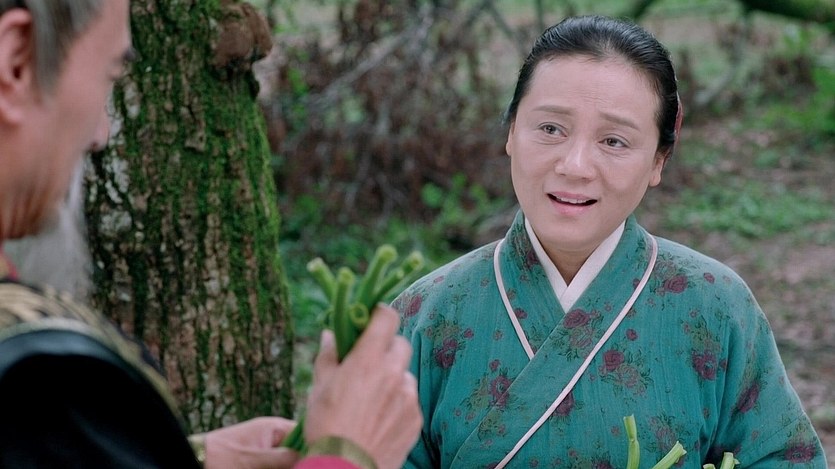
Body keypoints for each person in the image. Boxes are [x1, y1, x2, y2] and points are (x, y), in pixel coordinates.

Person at [393, 15, 827, 468]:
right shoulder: (425, 315)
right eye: (551, 129)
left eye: (614, 141)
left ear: (658, 161)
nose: (575, 166)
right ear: (511, 132)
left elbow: (783, 458)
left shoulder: (717, 307)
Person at [0, 1, 421, 468]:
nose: (101, 134)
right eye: (108, 75)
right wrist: (346, 453)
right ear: (16, 62)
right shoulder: (31, 375)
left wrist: (187, 457)